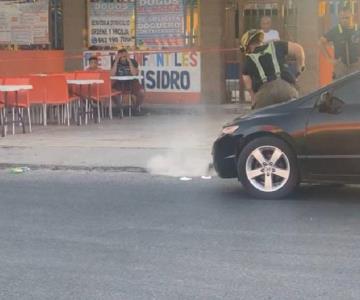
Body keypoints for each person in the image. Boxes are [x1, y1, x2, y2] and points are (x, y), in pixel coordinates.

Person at [241, 29, 305, 109]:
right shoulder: (276, 45)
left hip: (264, 95)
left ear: (247, 46)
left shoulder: (248, 60)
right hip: (286, 89)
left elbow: (249, 87)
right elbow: (298, 49)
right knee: (293, 117)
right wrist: (299, 69)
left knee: (263, 120)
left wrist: (254, 101)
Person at [319, 5, 360, 79]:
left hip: (356, 66)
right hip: (341, 66)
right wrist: (329, 59)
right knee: (340, 89)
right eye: (342, 18)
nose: (344, 20)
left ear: (352, 16)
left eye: (347, 18)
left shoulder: (358, 29)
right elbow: (321, 42)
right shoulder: (336, 30)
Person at [111, 48, 145, 115]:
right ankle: (120, 109)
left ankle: (135, 107)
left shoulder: (133, 61)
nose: (123, 58)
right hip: (119, 83)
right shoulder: (115, 62)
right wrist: (116, 61)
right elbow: (112, 74)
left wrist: (129, 60)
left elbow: (134, 73)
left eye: (125, 56)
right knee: (112, 92)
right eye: (121, 56)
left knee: (141, 92)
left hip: (132, 82)